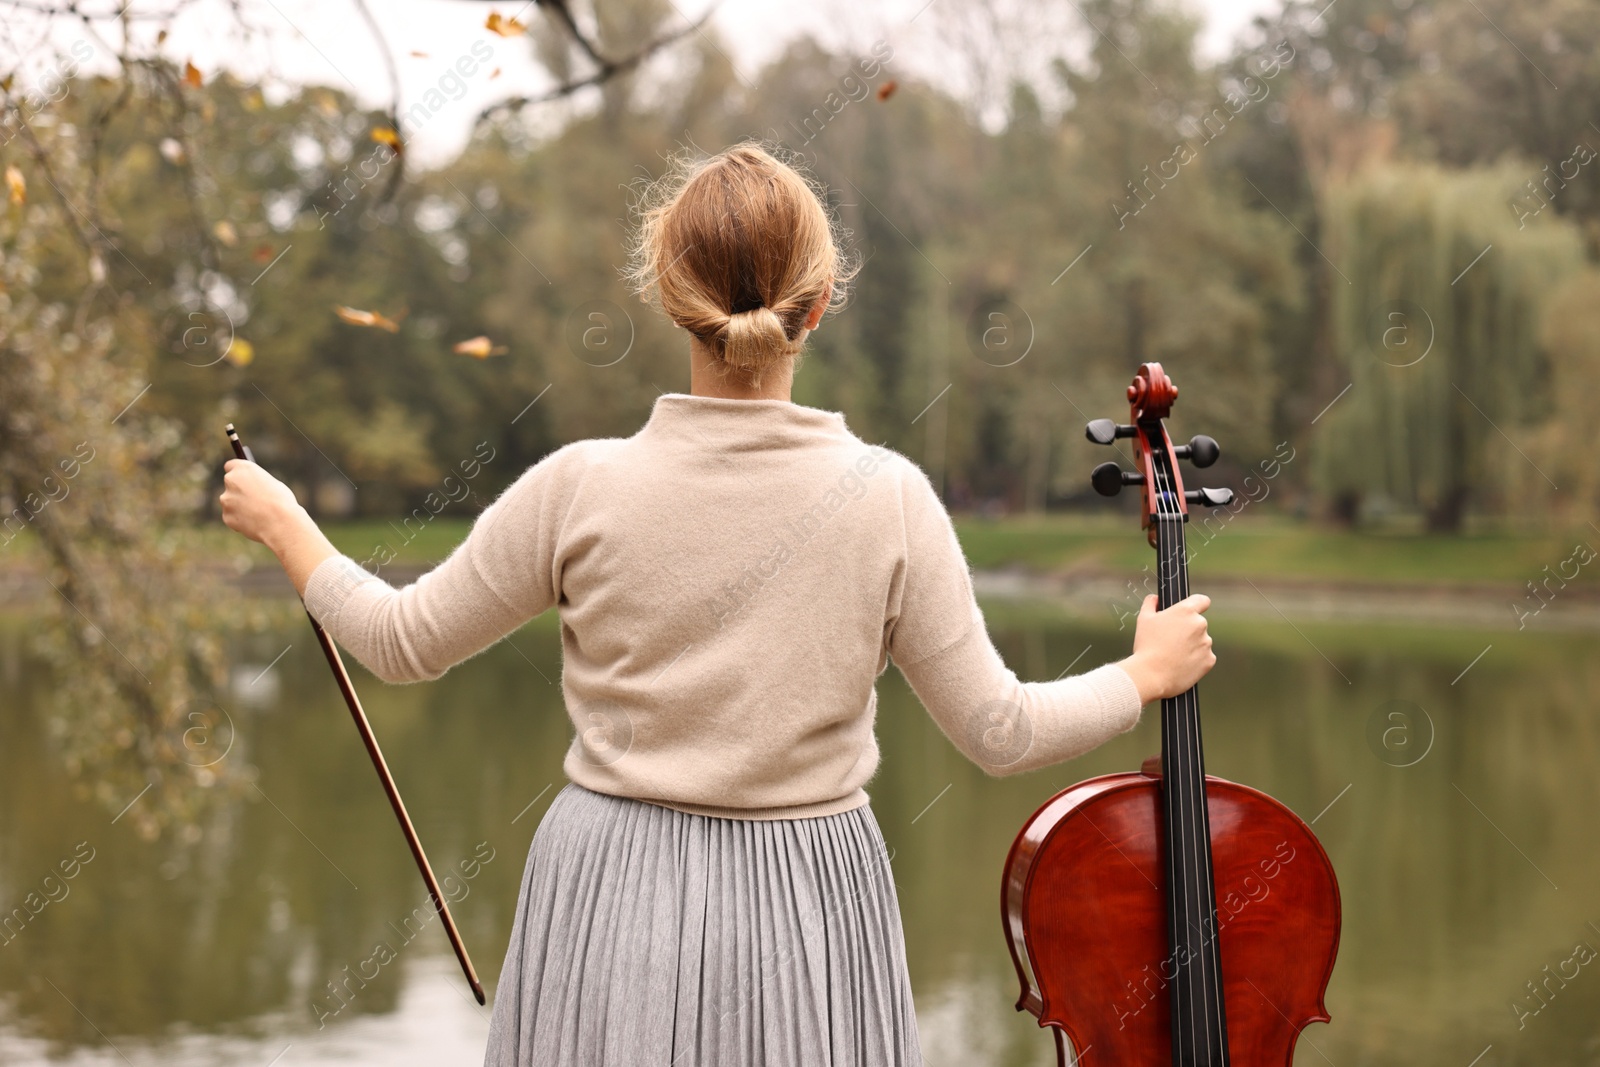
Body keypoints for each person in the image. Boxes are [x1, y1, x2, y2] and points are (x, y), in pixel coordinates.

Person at [219, 141, 1215, 1066]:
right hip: (809, 898)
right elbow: (1000, 730)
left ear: (667, 295)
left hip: (605, 889)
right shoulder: (887, 497)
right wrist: (1142, 672)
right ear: (818, 303)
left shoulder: (579, 487)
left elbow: (399, 641)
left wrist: (287, 522)